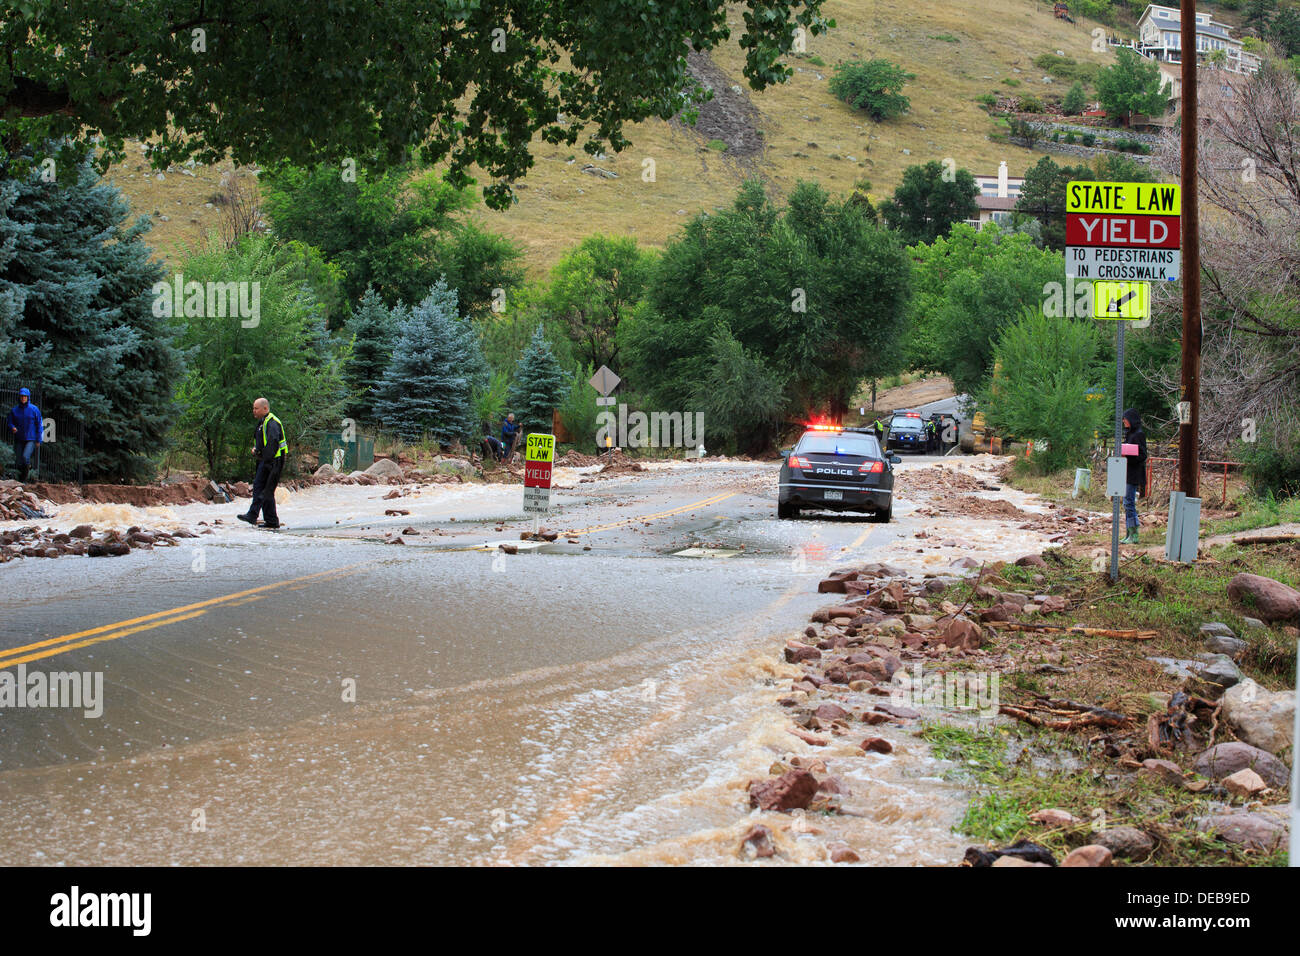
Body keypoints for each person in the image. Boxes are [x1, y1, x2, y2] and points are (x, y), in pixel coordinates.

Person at [236, 397, 287, 529]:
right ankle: (271, 521)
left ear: (265, 408)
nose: (254, 410)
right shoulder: (262, 423)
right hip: (265, 461)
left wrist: (265, 459)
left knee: (265, 490)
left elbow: (273, 443)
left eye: (256, 408)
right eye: (253, 408)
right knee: (261, 489)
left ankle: (254, 516)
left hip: (273, 462)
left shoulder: (272, 423)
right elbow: (262, 443)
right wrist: (257, 451)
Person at [1121, 407, 1147, 545]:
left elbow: (1143, 455)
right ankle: (1128, 533)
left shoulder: (1138, 435)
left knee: (1129, 502)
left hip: (1134, 473)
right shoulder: (1130, 434)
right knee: (1127, 502)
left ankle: (1133, 534)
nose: (1123, 421)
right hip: (1127, 472)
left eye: (1125, 419)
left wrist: (1128, 456)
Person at [6, 387, 42, 482]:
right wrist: (12, 427)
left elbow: (39, 424)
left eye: (25, 396)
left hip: (31, 438)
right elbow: (9, 422)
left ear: (28, 397)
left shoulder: (34, 409)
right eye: (22, 396)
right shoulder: (14, 410)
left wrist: (38, 439)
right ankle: (18, 480)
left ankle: (24, 480)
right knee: (18, 460)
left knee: (26, 457)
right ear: (19, 397)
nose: (23, 398)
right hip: (19, 438)